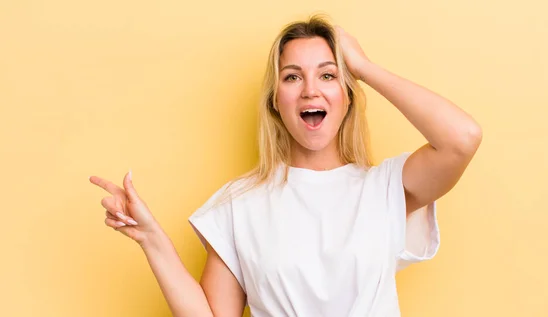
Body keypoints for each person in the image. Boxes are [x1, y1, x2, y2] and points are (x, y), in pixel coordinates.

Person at [90, 15, 482, 317]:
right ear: (276, 100)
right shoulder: (238, 205)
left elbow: (461, 138)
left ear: (347, 96)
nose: (311, 89)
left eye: (328, 75)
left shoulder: (386, 188)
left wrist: (363, 67)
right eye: (293, 77)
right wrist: (151, 239)